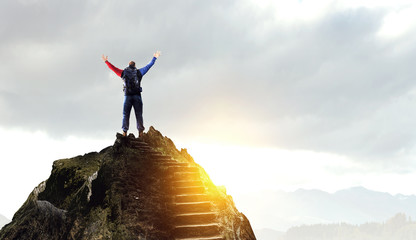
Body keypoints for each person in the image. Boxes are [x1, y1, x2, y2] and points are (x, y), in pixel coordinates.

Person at [102, 51, 161, 138]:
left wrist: (106, 61)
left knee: (126, 114)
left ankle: (124, 132)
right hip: (137, 96)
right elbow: (149, 66)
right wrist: (154, 57)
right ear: (135, 66)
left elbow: (113, 68)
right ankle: (140, 132)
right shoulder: (139, 72)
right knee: (139, 114)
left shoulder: (123, 72)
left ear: (128, 65)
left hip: (127, 96)